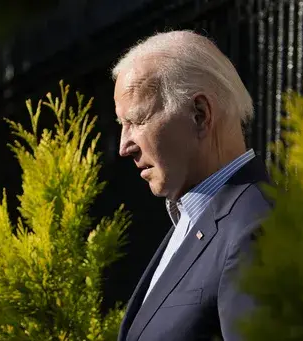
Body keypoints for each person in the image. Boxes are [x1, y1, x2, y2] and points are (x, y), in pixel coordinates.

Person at [112, 30, 272, 341]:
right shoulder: (193, 220)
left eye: (138, 120)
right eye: (122, 125)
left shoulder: (254, 228)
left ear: (200, 115)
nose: (124, 146)